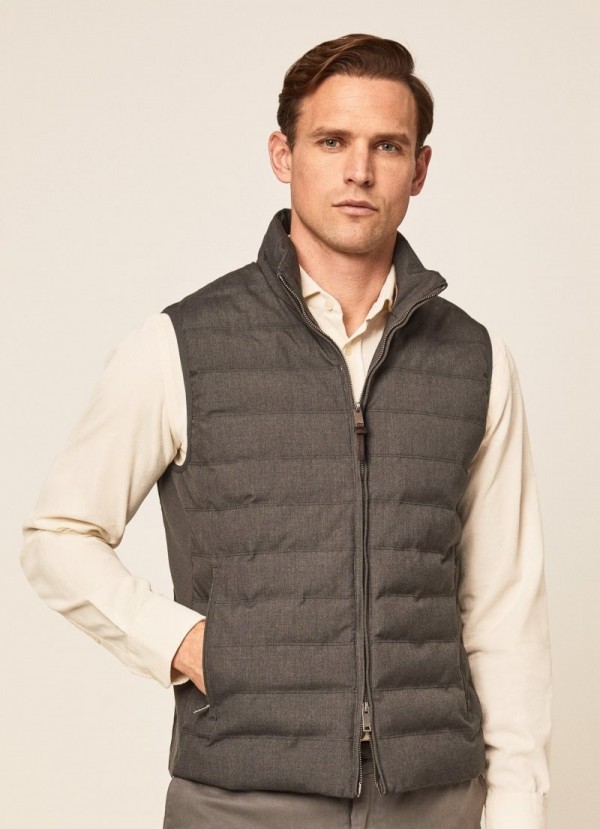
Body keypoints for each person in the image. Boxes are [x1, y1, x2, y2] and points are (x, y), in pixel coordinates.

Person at [20, 33, 551, 829]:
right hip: (239, 799)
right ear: (283, 154)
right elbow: (58, 534)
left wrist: (519, 805)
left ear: (419, 168)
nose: (359, 170)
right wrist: (183, 642)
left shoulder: (475, 358)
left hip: (435, 799)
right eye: (332, 141)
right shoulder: (182, 344)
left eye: (387, 146)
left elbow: (505, 604)